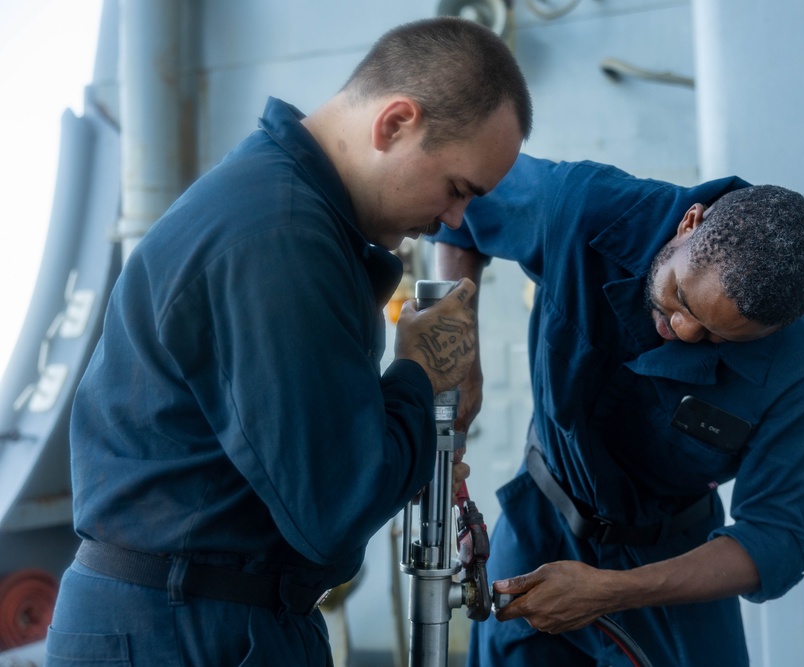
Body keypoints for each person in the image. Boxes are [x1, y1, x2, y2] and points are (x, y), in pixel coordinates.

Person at [46, 17, 532, 667]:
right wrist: (418, 373)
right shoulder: (278, 236)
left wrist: (404, 442)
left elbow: (312, 473)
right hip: (180, 629)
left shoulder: (288, 212)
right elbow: (334, 509)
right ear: (395, 124)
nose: (453, 220)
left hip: (200, 614)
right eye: (456, 188)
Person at [434, 155, 804, 666]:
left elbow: (780, 535)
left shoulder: (800, 372)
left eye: (716, 335)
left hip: (671, 563)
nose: (683, 329)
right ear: (689, 223)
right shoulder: (586, 208)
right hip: (541, 521)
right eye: (679, 296)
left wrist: (615, 591)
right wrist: (459, 349)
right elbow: (458, 197)